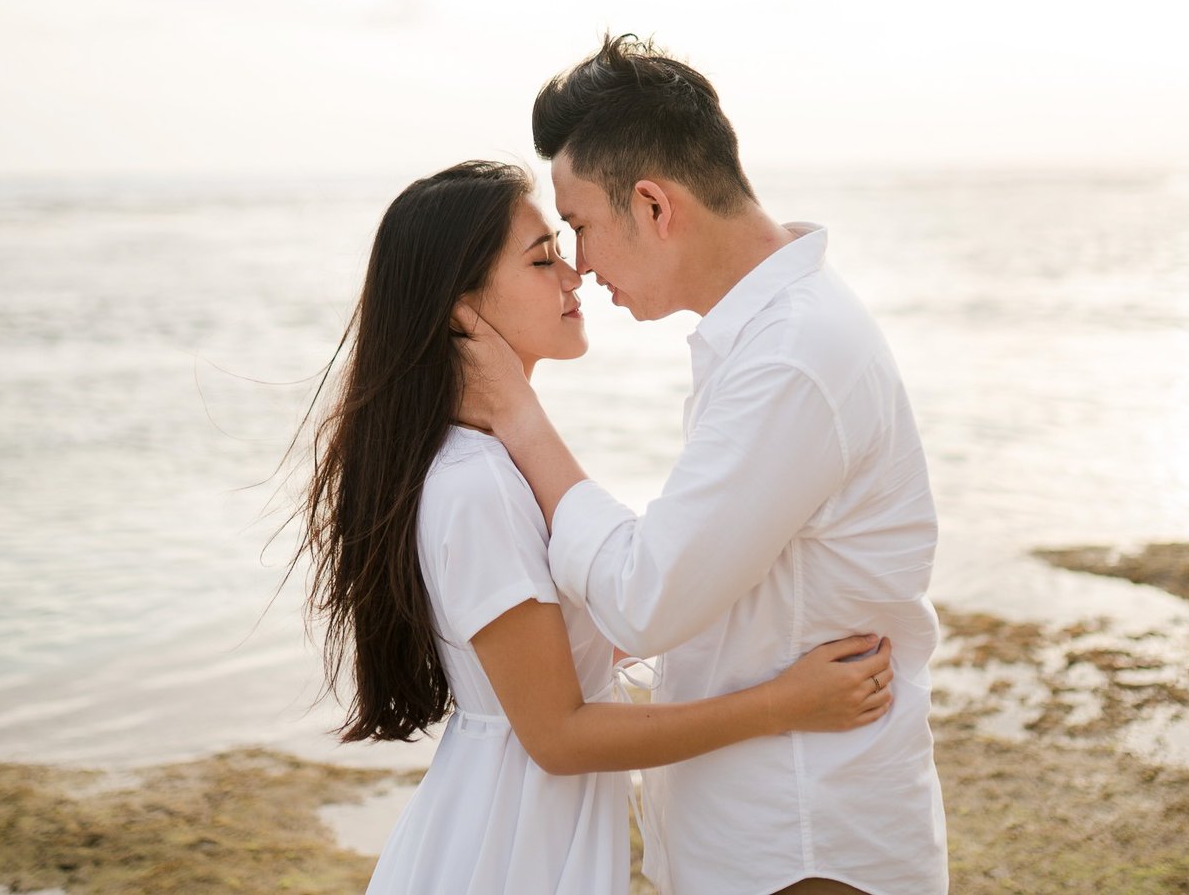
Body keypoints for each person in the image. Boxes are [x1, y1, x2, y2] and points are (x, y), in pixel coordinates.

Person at [293, 159, 898, 894]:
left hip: (528, 820)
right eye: (544, 257)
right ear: (462, 309)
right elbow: (558, 735)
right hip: (510, 844)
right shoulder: (476, 482)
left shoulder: (496, 463)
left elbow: (587, 632)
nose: (575, 274)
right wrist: (783, 704)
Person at [456, 38, 947, 895]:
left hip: (804, 839)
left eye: (579, 225)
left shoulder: (791, 356)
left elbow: (648, 599)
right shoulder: (770, 336)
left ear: (653, 205)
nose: (581, 264)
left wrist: (518, 415)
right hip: (769, 829)